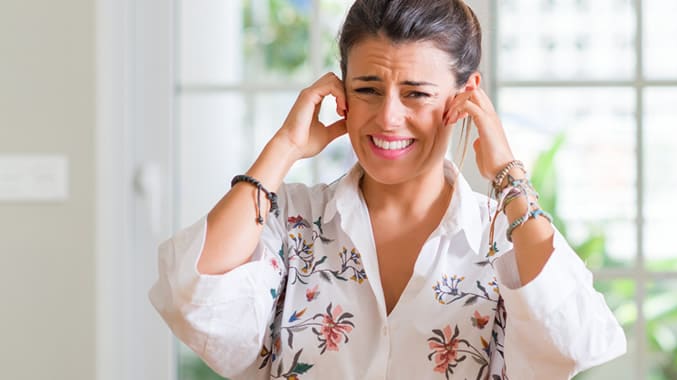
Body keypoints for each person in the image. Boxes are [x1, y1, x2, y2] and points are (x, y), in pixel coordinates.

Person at [150, 0, 626, 379]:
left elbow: (577, 344)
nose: (388, 118)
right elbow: (193, 296)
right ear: (341, 92)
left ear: (466, 95)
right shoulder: (288, 219)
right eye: (367, 90)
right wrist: (285, 146)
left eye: (416, 93)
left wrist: (506, 172)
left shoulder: (506, 237)